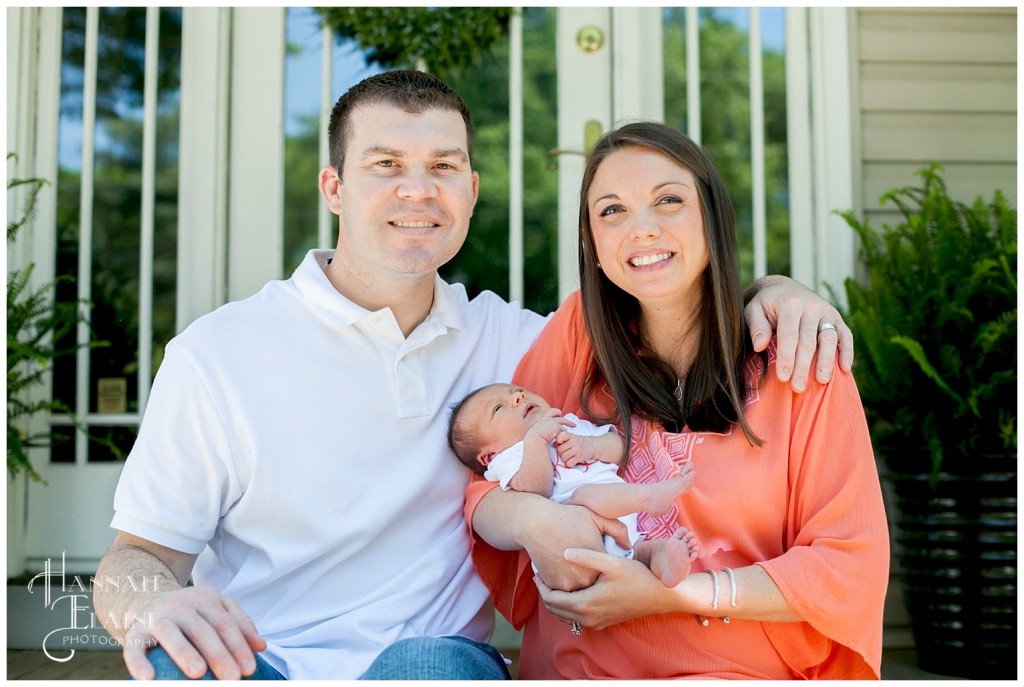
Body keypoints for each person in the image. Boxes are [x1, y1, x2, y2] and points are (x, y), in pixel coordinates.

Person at [92, 70, 855, 681]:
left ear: (471, 191)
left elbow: (662, 300)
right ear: (333, 187)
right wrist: (152, 606)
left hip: (433, 664)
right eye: (385, 165)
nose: (417, 190)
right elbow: (136, 559)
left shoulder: (522, 343)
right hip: (261, 661)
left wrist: (772, 292)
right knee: (178, 661)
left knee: (424, 667)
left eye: (443, 168)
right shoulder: (220, 354)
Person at [466, 122, 890, 679]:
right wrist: (529, 519)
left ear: (712, 218)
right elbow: (489, 482)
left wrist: (676, 594)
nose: (642, 229)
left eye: (668, 200)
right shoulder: (579, 333)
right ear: (592, 245)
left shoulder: (797, 359)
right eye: (611, 211)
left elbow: (847, 564)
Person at [448, 383, 699, 588]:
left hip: (623, 523)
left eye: (516, 390)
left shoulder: (569, 423)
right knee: (584, 495)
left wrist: (590, 445)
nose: (518, 397)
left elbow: (620, 449)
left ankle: (669, 566)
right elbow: (537, 490)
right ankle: (649, 498)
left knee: (645, 551)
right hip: (573, 544)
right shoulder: (506, 459)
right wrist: (536, 440)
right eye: (498, 408)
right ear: (487, 456)